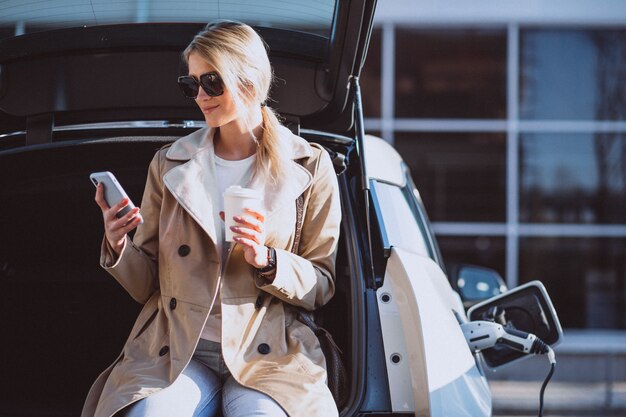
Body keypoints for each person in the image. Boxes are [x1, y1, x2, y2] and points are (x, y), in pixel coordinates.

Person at [82, 21, 341, 417]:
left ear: (249, 82)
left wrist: (267, 260)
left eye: (212, 83)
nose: (200, 96)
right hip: (179, 351)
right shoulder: (171, 163)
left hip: (269, 354)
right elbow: (147, 284)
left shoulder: (309, 164)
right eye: (190, 85)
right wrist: (118, 244)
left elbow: (322, 283)